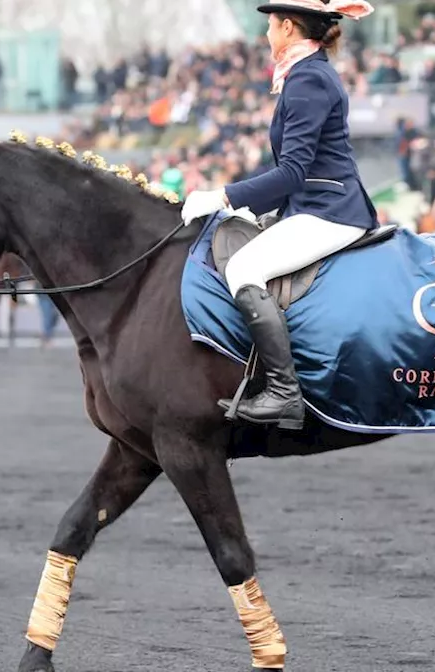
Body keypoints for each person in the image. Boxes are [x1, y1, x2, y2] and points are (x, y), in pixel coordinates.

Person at [177, 0, 378, 430]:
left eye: (270, 26)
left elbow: (292, 171)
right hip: (312, 205)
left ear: (288, 27)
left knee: (245, 268)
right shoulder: (305, 74)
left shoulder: (307, 79)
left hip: (330, 211)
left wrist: (223, 196)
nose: (266, 34)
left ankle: (284, 394)